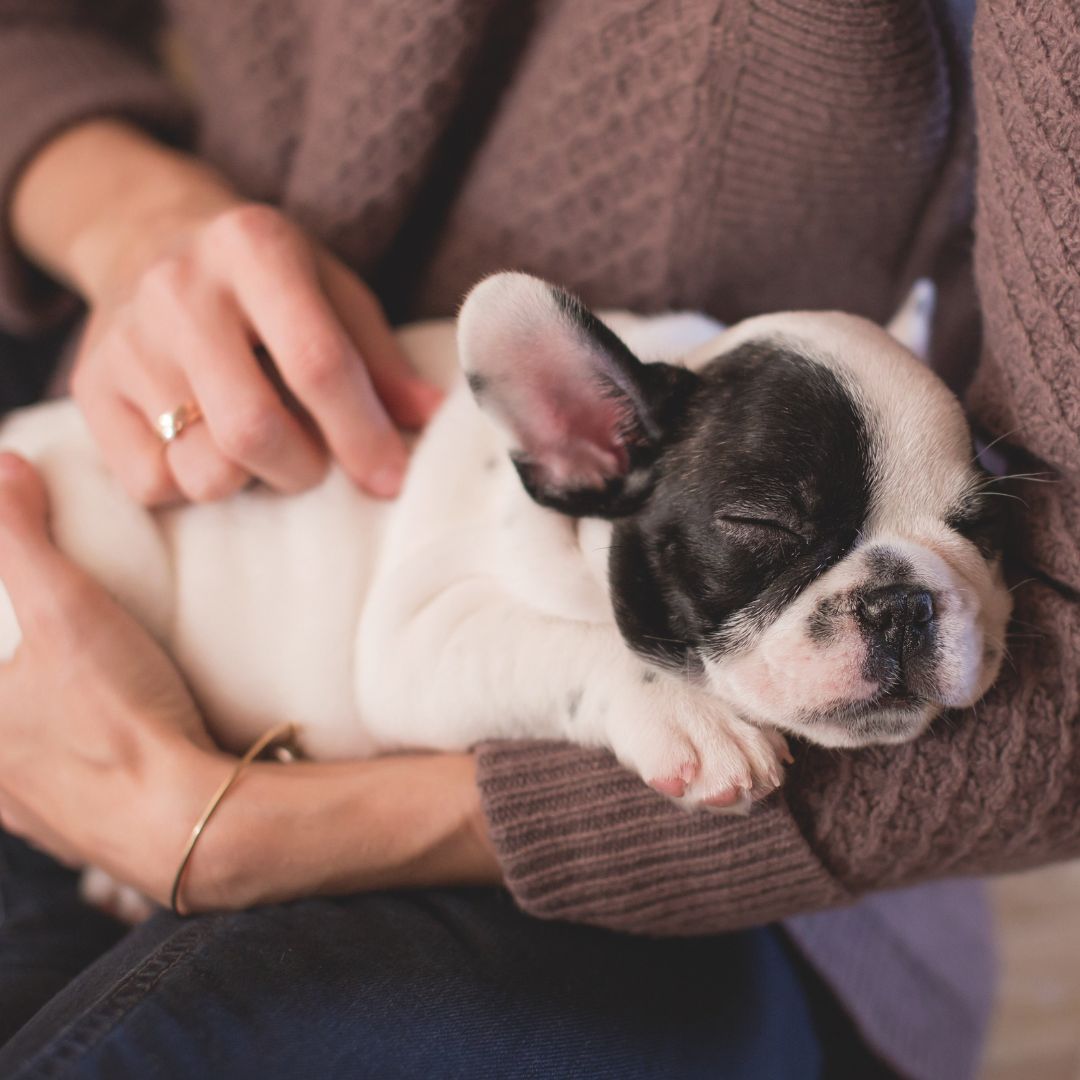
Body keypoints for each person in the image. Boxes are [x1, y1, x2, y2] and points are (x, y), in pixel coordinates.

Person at [0, 1, 1075, 1077]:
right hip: (79, 585)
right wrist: (128, 217)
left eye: (962, 528)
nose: (895, 609)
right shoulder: (576, 474)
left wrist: (216, 832)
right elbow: (409, 670)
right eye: (765, 535)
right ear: (574, 442)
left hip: (705, 904)